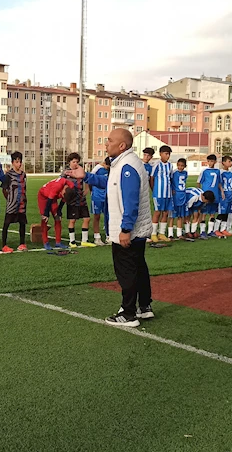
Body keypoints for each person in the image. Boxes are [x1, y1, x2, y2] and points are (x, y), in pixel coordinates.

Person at [67, 128, 153, 327]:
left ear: (122, 145)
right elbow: (112, 182)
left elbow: (130, 200)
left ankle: (128, 313)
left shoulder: (127, 166)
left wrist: (126, 229)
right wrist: (87, 176)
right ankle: (144, 306)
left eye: (109, 140)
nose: (106, 144)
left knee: (127, 271)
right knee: (139, 267)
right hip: (136, 230)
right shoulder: (124, 163)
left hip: (128, 231)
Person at [62, 153, 94, 248]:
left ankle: (84, 240)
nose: (75, 164)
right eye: (73, 162)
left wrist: (87, 189)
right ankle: (72, 241)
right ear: (69, 162)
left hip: (81, 198)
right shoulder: (66, 173)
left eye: (77, 162)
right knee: (73, 220)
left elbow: (86, 179)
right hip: (72, 199)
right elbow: (60, 183)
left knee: (87, 218)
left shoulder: (80, 171)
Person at [37, 177, 76, 251]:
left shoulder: (71, 186)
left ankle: (58, 242)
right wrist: (46, 214)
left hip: (53, 198)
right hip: (43, 197)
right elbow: (49, 200)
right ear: (63, 191)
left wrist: (59, 211)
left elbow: (63, 200)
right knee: (45, 219)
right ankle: (45, 242)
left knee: (58, 218)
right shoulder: (57, 187)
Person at [150, 146, 173, 243]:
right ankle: (153, 233)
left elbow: (170, 178)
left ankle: (162, 233)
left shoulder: (170, 165)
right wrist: (154, 190)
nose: (167, 156)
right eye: (166, 154)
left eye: (169, 154)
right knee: (157, 212)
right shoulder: (156, 164)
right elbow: (151, 178)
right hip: (158, 193)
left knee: (166, 213)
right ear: (160, 154)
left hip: (167, 194)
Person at [197, 154, 221, 239]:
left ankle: (210, 231)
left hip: (215, 195)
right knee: (203, 213)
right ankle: (202, 231)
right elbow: (198, 182)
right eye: (209, 161)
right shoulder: (204, 171)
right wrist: (199, 192)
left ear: (215, 162)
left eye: (212, 161)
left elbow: (219, 183)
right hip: (206, 195)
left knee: (212, 213)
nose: (210, 163)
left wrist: (222, 192)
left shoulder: (218, 171)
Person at [88, 157, 111, 245]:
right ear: (104, 163)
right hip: (97, 195)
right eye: (108, 166)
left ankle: (109, 236)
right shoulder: (97, 169)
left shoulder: (112, 169)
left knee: (108, 216)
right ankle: (97, 237)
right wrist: (91, 192)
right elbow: (90, 180)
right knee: (97, 216)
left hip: (107, 195)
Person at [217, 156, 232, 236]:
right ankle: (216, 229)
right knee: (222, 212)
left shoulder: (231, 173)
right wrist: (222, 192)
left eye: (231, 161)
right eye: (229, 161)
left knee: (227, 212)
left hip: (230, 194)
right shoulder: (220, 172)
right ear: (223, 163)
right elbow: (219, 183)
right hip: (224, 195)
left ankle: (223, 229)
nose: (230, 163)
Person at [170, 158, 189, 240]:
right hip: (175, 195)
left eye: (182, 166)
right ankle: (170, 234)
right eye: (179, 165)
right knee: (172, 215)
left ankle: (179, 233)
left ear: (185, 166)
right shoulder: (174, 173)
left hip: (182, 195)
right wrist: (172, 189)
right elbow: (170, 181)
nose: (180, 167)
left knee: (180, 215)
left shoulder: (185, 173)